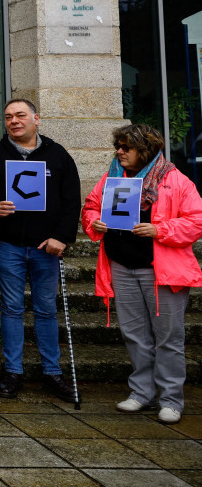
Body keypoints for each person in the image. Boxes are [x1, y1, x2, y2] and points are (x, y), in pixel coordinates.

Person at [82, 124, 202, 424]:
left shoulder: (175, 180)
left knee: (168, 338)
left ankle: (171, 400)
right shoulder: (112, 177)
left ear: (145, 149)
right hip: (121, 267)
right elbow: (91, 207)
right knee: (135, 335)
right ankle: (142, 393)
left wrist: (160, 230)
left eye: (126, 147)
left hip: (160, 271)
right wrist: (94, 222)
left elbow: (196, 221)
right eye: (118, 146)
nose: (119, 152)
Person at [0, 98, 80, 402]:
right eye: (8, 117)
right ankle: (13, 371)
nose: (14, 121)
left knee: (46, 309)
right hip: (9, 246)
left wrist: (62, 237)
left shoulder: (57, 155)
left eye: (20, 115)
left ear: (36, 118)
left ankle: (51, 372)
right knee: (11, 309)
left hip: (47, 246)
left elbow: (72, 200)